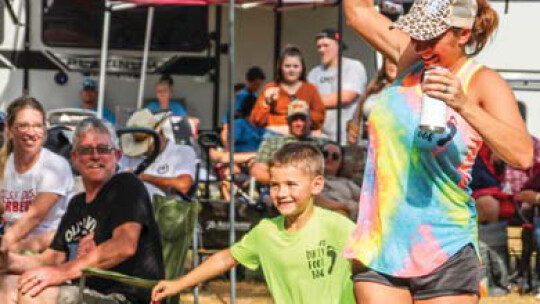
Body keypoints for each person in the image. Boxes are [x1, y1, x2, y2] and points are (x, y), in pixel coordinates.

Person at [343, 0, 533, 302]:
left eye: (431, 38)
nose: (420, 46)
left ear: (463, 34)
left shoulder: (482, 81)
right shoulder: (411, 60)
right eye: (416, 35)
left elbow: (522, 154)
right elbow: (358, 12)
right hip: (380, 243)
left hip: (445, 248)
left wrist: (464, 104)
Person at [151, 142, 355, 303]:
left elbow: (374, 268)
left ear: (317, 185)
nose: (282, 194)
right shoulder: (267, 231)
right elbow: (226, 259)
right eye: (275, 185)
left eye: (291, 185)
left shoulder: (338, 227)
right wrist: (178, 284)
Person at [0, 117, 164, 304]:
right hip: (86, 290)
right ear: (75, 159)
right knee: (8, 284)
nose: (95, 156)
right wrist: (8, 261)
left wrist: (61, 273)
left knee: (32, 294)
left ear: (117, 156)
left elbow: (123, 245)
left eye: (103, 149)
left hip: (125, 296)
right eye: (86, 150)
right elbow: (52, 258)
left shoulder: (126, 186)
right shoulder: (77, 204)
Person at [0, 97, 73, 254]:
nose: (31, 132)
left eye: (37, 126)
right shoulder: (3, 163)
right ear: (10, 130)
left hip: (47, 248)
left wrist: (4, 245)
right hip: (11, 244)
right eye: (23, 126)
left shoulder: (55, 166)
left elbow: (34, 217)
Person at [119, 109, 198, 199]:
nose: (143, 150)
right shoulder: (129, 155)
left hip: (165, 209)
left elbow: (182, 186)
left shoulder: (182, 151)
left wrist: (142, 177)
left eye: (147, 143)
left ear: (161, 133)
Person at [308, 28, 368, 145]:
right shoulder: (314, 73)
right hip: (320, 139)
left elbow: (346, 96)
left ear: (338, 45)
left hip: (347, 139)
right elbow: (306, 101)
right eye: (319, 46)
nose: (322, 50)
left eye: (326, 45)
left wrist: (314, 102)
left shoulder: (353, 67)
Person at [250, 45, 326, 137]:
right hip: (274, 134)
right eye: (287, 66)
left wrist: (300, 118)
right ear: (280, 68)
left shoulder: (310, 89)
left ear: (302, 68)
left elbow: (319, 117)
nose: (291, 70)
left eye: (295, 66)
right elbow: (256, 120)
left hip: (303, 135)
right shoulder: (270, 88)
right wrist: (266, 103)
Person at [250, 100, 327, 184]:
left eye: (303, 119)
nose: (299, 123)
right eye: (295, 119)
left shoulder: (322, 143)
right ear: (288, 121)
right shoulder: (272, 143)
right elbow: (258, 170)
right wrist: (285, 183)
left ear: (309, 121)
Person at [347, 56, 398, 144]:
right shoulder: (375, 86)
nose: (393, 66)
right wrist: (352, 130)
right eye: (390, 61)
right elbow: (357, 115)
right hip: (366, 146)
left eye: (396, 62)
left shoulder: (410, 91)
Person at [221, 66, 266, 152]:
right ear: (249, 82)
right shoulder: (241, 96)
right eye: (256, 84)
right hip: (239, 130)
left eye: (259, 85)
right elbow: (231, 114)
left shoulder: (255, 96)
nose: (257, 87)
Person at [320, 141, 361, 219]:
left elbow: (366, 200)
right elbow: (312, 198)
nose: (329, 158)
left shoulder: (347, 183)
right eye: (325, 154)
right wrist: (345, 206)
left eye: (335, 156)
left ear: (340, 163)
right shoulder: (310, 179)